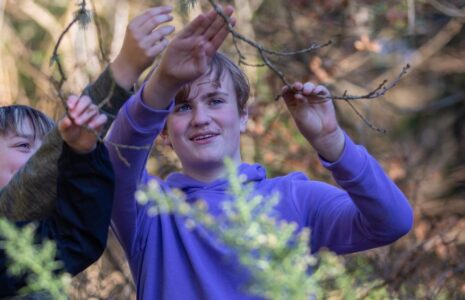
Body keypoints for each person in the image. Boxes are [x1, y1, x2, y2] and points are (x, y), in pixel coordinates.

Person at [107, 6, 413, 300]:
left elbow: (392, 221)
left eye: (215, 101)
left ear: (243, 116)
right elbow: (112, 165)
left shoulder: (295, 199)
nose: (200, 118)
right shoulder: (150, 211)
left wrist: (333, 142)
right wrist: (161, 84)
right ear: (163, 130)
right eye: (183, 107)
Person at [0, 5, 174, 296]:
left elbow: (80, 235)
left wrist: (81, 155)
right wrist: (121, 72)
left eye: (45, 147)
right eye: (22, 146)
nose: (40, 159)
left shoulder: (39, 241)